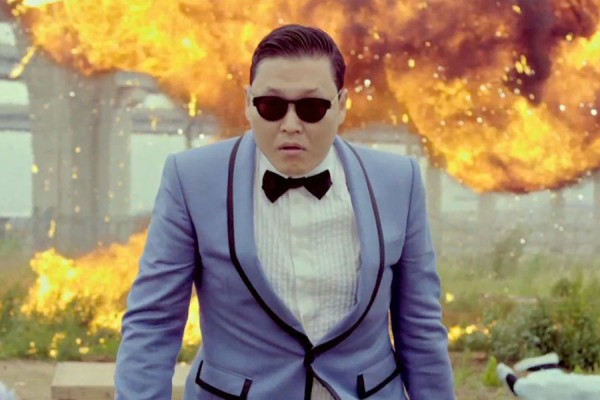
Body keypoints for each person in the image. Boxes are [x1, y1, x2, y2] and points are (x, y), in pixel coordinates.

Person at [115, 24, 455, 400]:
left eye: (312, 108)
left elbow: (421, 328)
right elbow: (153, 323)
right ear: (248, 103)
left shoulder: (399, 181)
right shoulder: (191, 178)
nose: (290, 126)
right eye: (271, 107)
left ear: (342, 105)